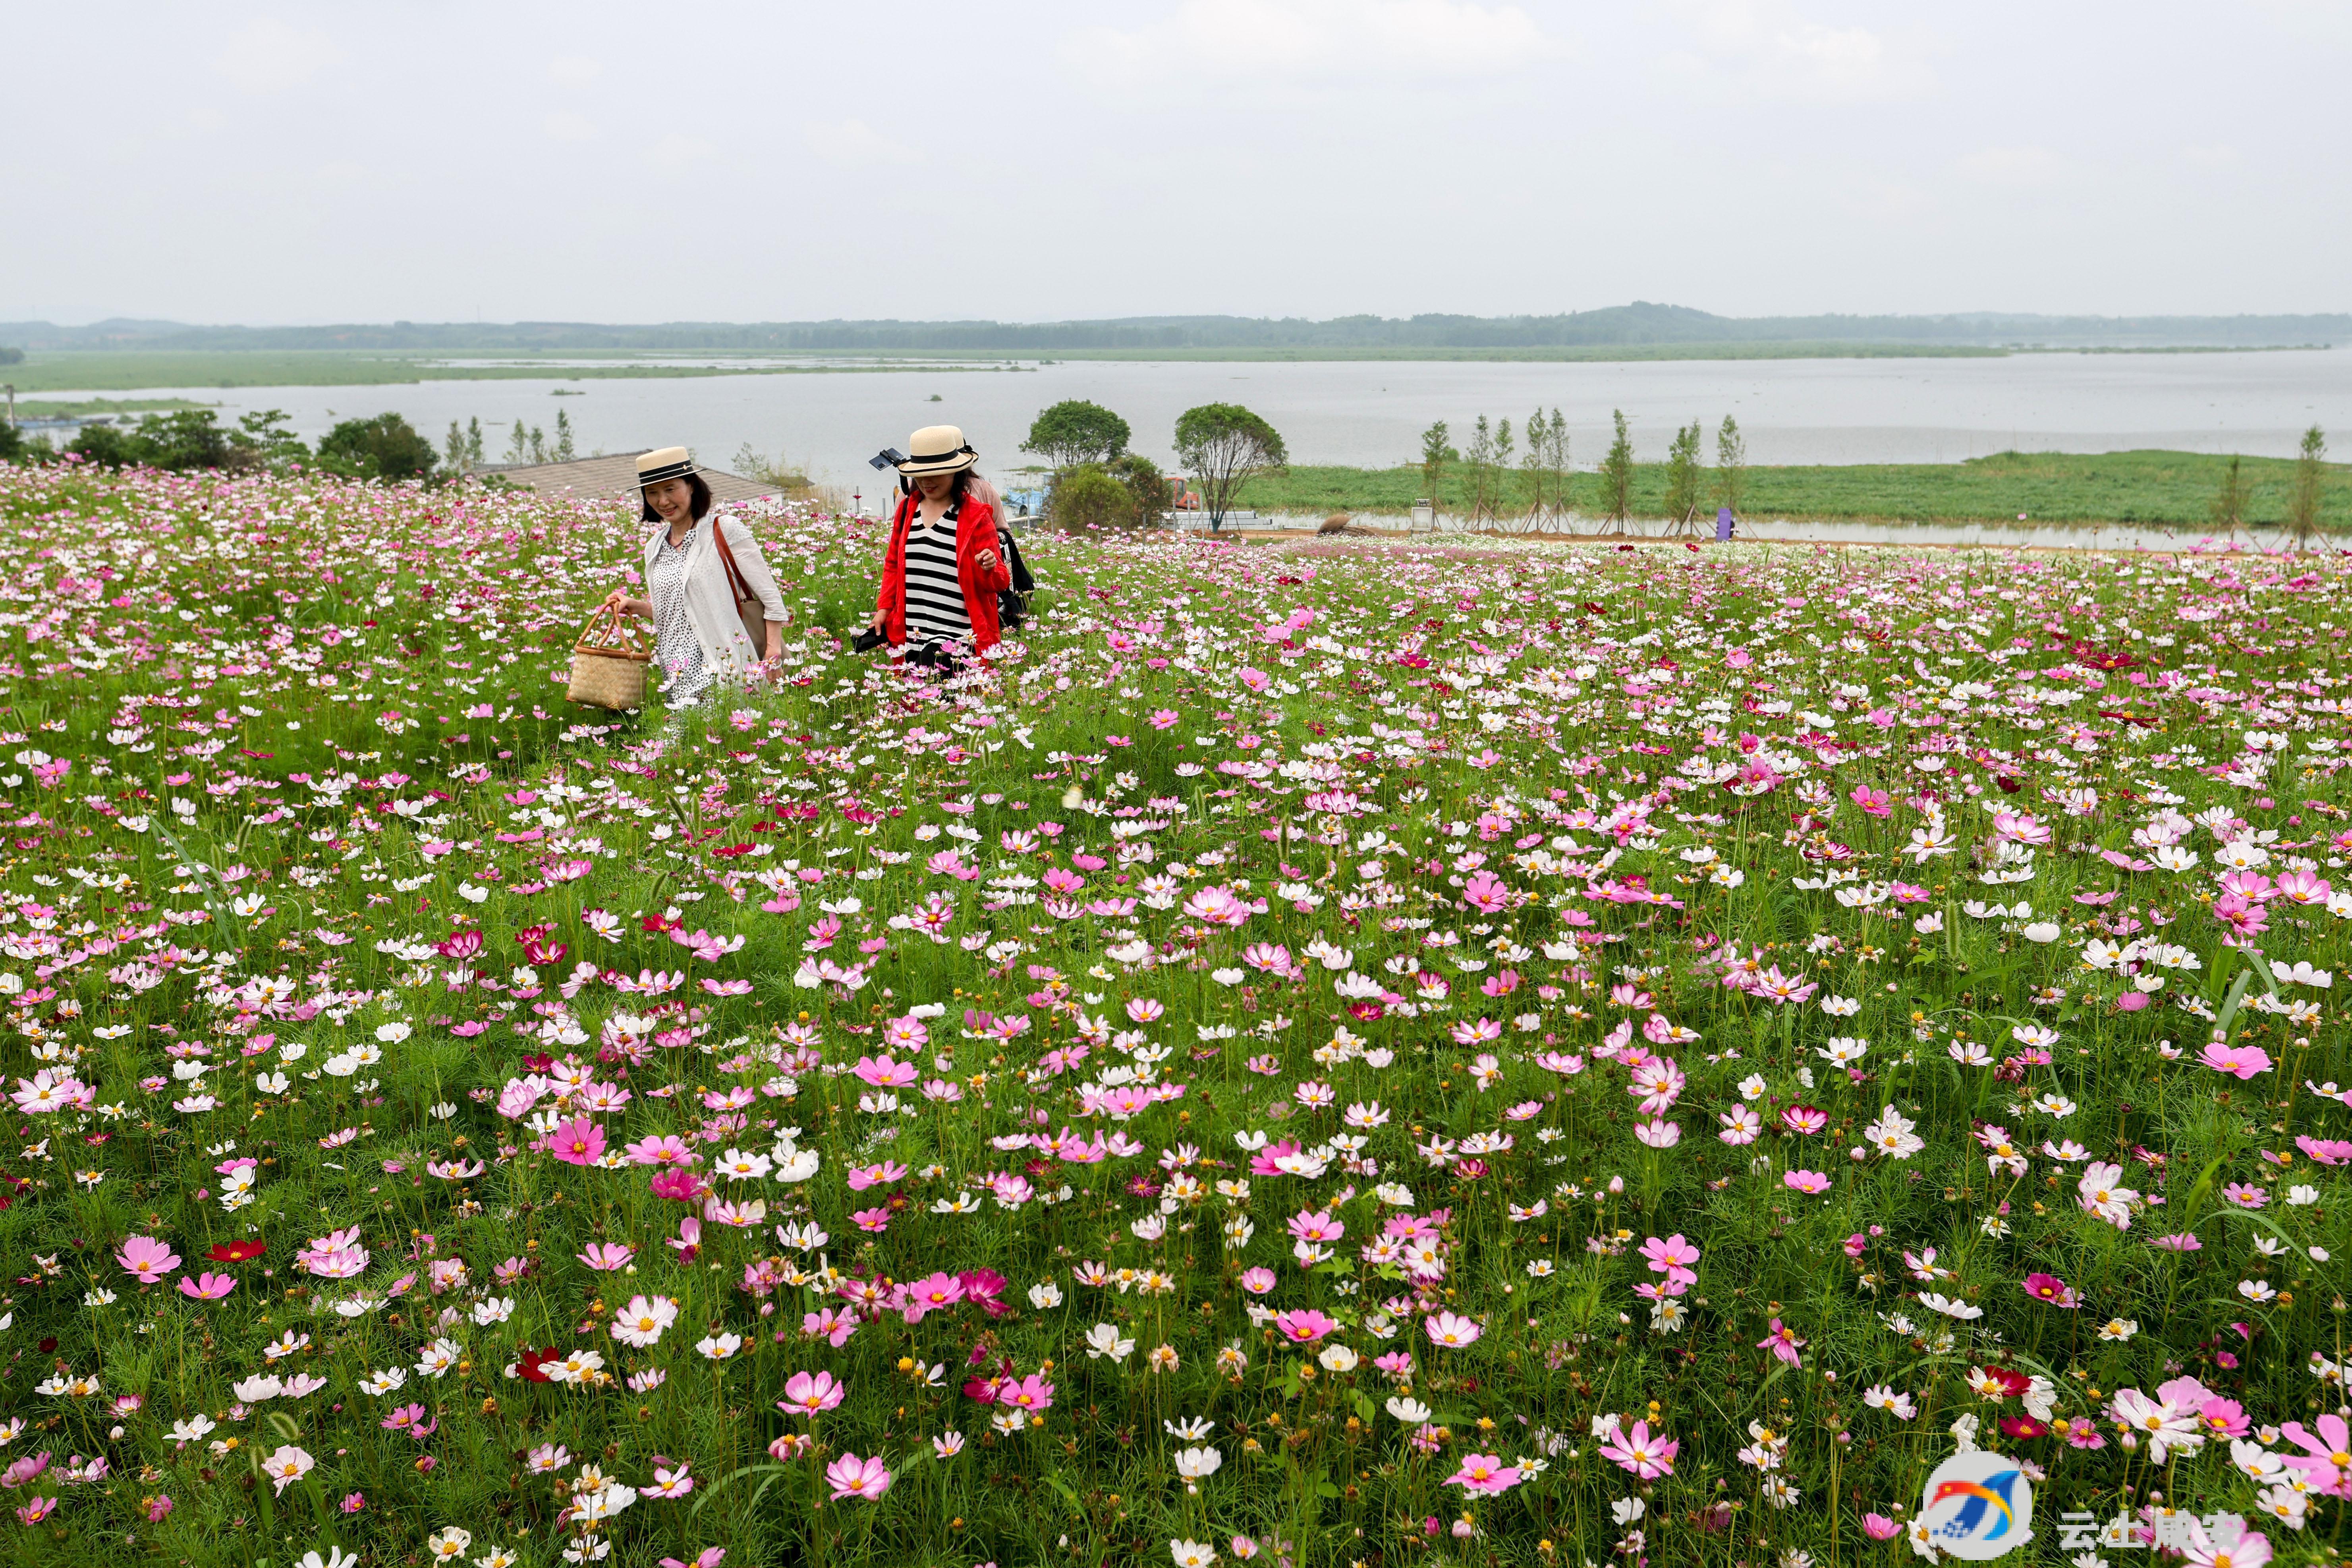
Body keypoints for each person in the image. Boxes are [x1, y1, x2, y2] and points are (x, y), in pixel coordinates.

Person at [603, 446, 788, 707]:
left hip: (723, 666)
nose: (663, 501)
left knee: (730, 739)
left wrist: (773, 651)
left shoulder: (723, 530)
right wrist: (637, 607)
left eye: (670, 489)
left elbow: (771, 598)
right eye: (653, 493)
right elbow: (681, 612)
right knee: (687, 746)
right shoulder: (654, 547)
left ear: (691, 485)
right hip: (677, 672)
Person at [868, 425, 1013, 669]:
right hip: (913, 635)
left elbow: (1000, 583)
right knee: (916, 703)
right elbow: (893, 565)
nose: (926, 481)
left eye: (936, 472)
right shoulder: (906, 510)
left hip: (961, 639)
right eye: (920, 473)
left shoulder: (976, 516)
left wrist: (989, 566)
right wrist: (884, 609)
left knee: (957, 704)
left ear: (956, 473)